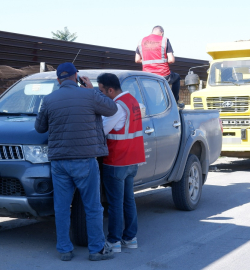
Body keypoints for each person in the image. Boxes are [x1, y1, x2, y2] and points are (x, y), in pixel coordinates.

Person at [35, 63, 117, 262]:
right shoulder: (89, 95)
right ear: (76, 77)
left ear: (58, 80)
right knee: (92, 206)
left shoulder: (48, 99)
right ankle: (97, 249)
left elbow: (39, 128)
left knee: (62, 207)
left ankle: (64, 249)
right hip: (85, 160)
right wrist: (93, 90)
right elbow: (112, 109)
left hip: (59, 163)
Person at [96, 73, 145, 253]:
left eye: (101, 91)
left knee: (115, 203)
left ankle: (114, 241)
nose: (100, 95)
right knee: (128, 200)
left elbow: (101, 129)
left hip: (116, 161)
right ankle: (130, 238)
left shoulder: (116, 107)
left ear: (110, 89)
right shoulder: (132, 101)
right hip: (132, 160)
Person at [135, 25, 181, 102]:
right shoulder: (164, 40)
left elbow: (137, 60)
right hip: (163, 74)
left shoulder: (141, 41)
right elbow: (171, 60)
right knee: (177, 77)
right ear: (162, 33)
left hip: (147, 74)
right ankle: (174, 101)